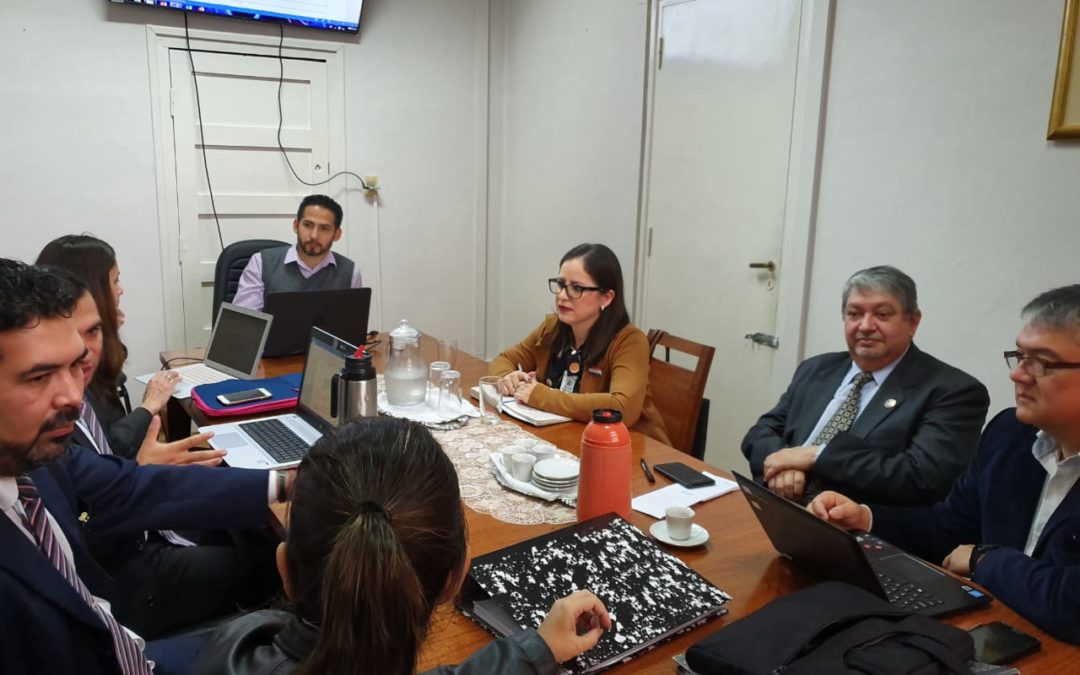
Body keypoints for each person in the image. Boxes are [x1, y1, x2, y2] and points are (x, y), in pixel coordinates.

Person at [0, 259, 294, 674]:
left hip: (123, 645)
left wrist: (287, 482)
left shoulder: (36, 456)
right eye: (38, 377)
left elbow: (134, 487)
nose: (72, 395)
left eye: (73, 365)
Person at [194, 417, 612, 674]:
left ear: (285, 569)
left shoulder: (232, 649)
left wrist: (533, 652)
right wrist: (535, 652)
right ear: (455, 579)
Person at [809, 284, 1080, 645]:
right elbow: (950, 526)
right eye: (1020, 356)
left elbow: (1072, 605)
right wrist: (865, 518)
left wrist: (986, 560)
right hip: (991, 633)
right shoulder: (1010, 434)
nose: (1018, 375)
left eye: (1041, 362)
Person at [64, 271, 280, 638]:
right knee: (279, 559)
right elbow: (116, 498)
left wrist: (283, 485)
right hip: (128, 576)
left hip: (141, 535)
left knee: (248, 527)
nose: (83, 352)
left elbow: (122, 483)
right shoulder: (49, 434)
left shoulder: (84, 396)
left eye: (93, 331)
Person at [741, 265, 989, 506]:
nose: (866, 326)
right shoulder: (816, 368)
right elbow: (760, 433)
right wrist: (784, 466)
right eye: (854, 314)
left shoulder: (953, 391)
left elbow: (921, 477)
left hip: (856, 530)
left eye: (882, 315)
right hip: (777, 506)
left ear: (913, 322)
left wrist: (815, 456)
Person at [489, 243, 669, 444]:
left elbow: (622, 407)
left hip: (623, 450)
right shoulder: (552, 328)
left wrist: (543, 396)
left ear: (607, 297)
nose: (562, 296)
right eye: (560, 285)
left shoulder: (630, 341)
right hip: (562, 438)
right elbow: (505, 359)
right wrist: (508, 377)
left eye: (576, 288)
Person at [37, 234, 178, 456]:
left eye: (93, 331)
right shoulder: (70, 376)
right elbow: (109, 446)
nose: (120, 290)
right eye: (115, 281)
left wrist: (108, 332)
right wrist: (150, 405)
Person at [231, 194, 363, 311]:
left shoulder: (350, 272)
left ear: (337, 234)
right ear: (296, 226)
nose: (314, 235)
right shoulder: (261, 262)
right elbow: (244, 326)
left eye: (324, 228)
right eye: (308, 225)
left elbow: (350, 326)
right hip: (273, 339)